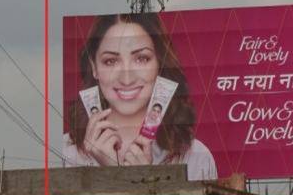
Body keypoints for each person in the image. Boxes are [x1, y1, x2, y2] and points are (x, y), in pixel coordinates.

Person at [63, 13, 218, 180]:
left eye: (141, 59)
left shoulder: (195, 156)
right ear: (94, 68)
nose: (127, 79)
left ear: (159, 63)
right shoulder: (66, 154)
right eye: (111, 61)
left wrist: (144, 181)